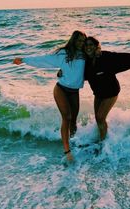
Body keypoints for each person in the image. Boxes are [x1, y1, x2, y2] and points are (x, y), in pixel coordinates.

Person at [13, 30, 87, 162]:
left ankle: (73, 141)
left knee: (74, 120)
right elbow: (44, 60)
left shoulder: (84, 55)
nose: (81, 43)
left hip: (74, 92)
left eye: (83, 41)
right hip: (61, 90)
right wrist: (24, 60)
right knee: (67, 117)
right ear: (73, 40)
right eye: (79, 40)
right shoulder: (63, 53)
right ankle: (67, 151)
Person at [84, 36, 130, 141]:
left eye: (91, 45)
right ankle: (101, 137)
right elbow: (75, 71)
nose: (88, 47)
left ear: (96, 46)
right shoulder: (84, 61)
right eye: (86, 45)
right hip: (98, 93)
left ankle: (103, 143)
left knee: (101, 117)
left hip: (111, 92)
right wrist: (62, 73)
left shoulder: (105, 56)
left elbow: (122, 58)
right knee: (98, 119)